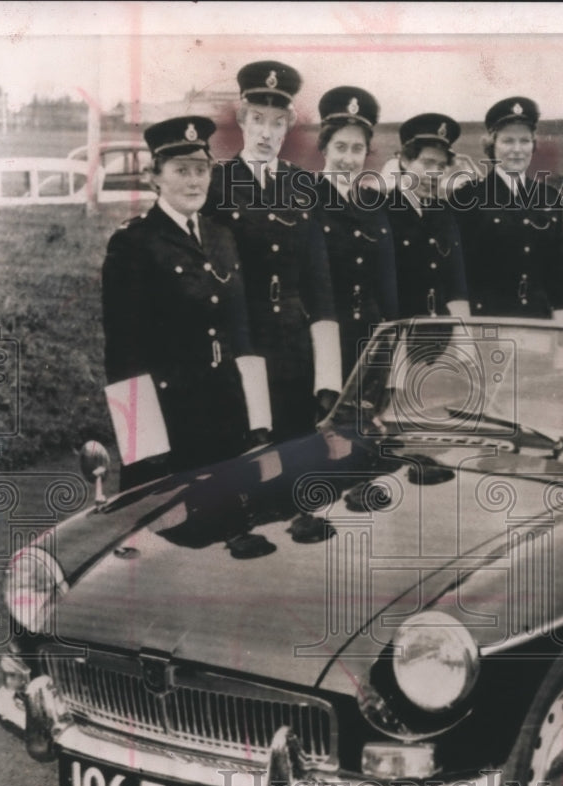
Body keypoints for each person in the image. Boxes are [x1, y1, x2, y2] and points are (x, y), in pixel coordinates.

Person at [102, 116, 261, 489]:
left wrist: (257, 418)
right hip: (171, 423)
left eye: (201, 169)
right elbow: (123, 351)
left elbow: (241, 331)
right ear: (155, 176)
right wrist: (143, 442)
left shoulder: (221, 236)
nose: (194, 180)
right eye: (181, 170)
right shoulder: (134, 244)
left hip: (227, 414)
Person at [203, 61, 338, 443]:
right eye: (258, 119)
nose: (266, 132)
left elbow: (320, 282)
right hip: (242, 343)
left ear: (288, 127)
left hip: (295, 350)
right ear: (243, 120)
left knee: (299, 456)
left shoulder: (302, 184)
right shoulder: (217, 184)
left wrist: (327, 380)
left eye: (277, 122)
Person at [310, 86, 398, 416]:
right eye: (341, 147)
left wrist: (393, 367)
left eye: (357, 148)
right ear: (324, 148)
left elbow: (388, 288)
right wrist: (327, 381)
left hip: (374, 346)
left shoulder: (375, 204)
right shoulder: (307, 200)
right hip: (326, 352)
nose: (349, 158)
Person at [452, 97, 563, 322]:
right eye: (508, 141)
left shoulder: (549, 198)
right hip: (487, 323)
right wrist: (464, 333)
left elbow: (557, 276)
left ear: (533, 145)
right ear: (491, 145)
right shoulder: (466, 197)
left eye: (524, 141)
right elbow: (456, 278)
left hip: (539, 323)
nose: (517, 150)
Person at [385, 113, 469, 319]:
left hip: (443, 332)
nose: (434, 174)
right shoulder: (382, 211)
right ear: (404, 161)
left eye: (440, 167)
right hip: (400, 334)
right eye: (427, 163)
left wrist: (463, 337)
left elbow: (456, 284)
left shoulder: (445, 213)